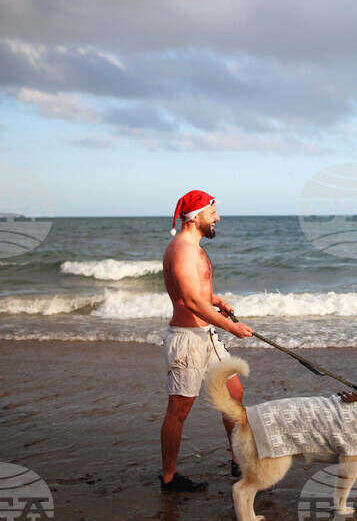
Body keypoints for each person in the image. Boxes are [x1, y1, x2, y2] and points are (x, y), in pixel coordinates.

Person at [160, 190, 253, 492]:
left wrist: (215, 299)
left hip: (207, 336)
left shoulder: (193, 248)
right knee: (180, 409)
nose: (218, 218)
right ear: (195, 215)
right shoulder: (183, 249)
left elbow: (197, 292)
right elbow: (188, 300)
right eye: (213, 212)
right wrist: (230, 326)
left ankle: (238, 463)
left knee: (233, 393)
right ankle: (169, 478)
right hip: (187, 340)